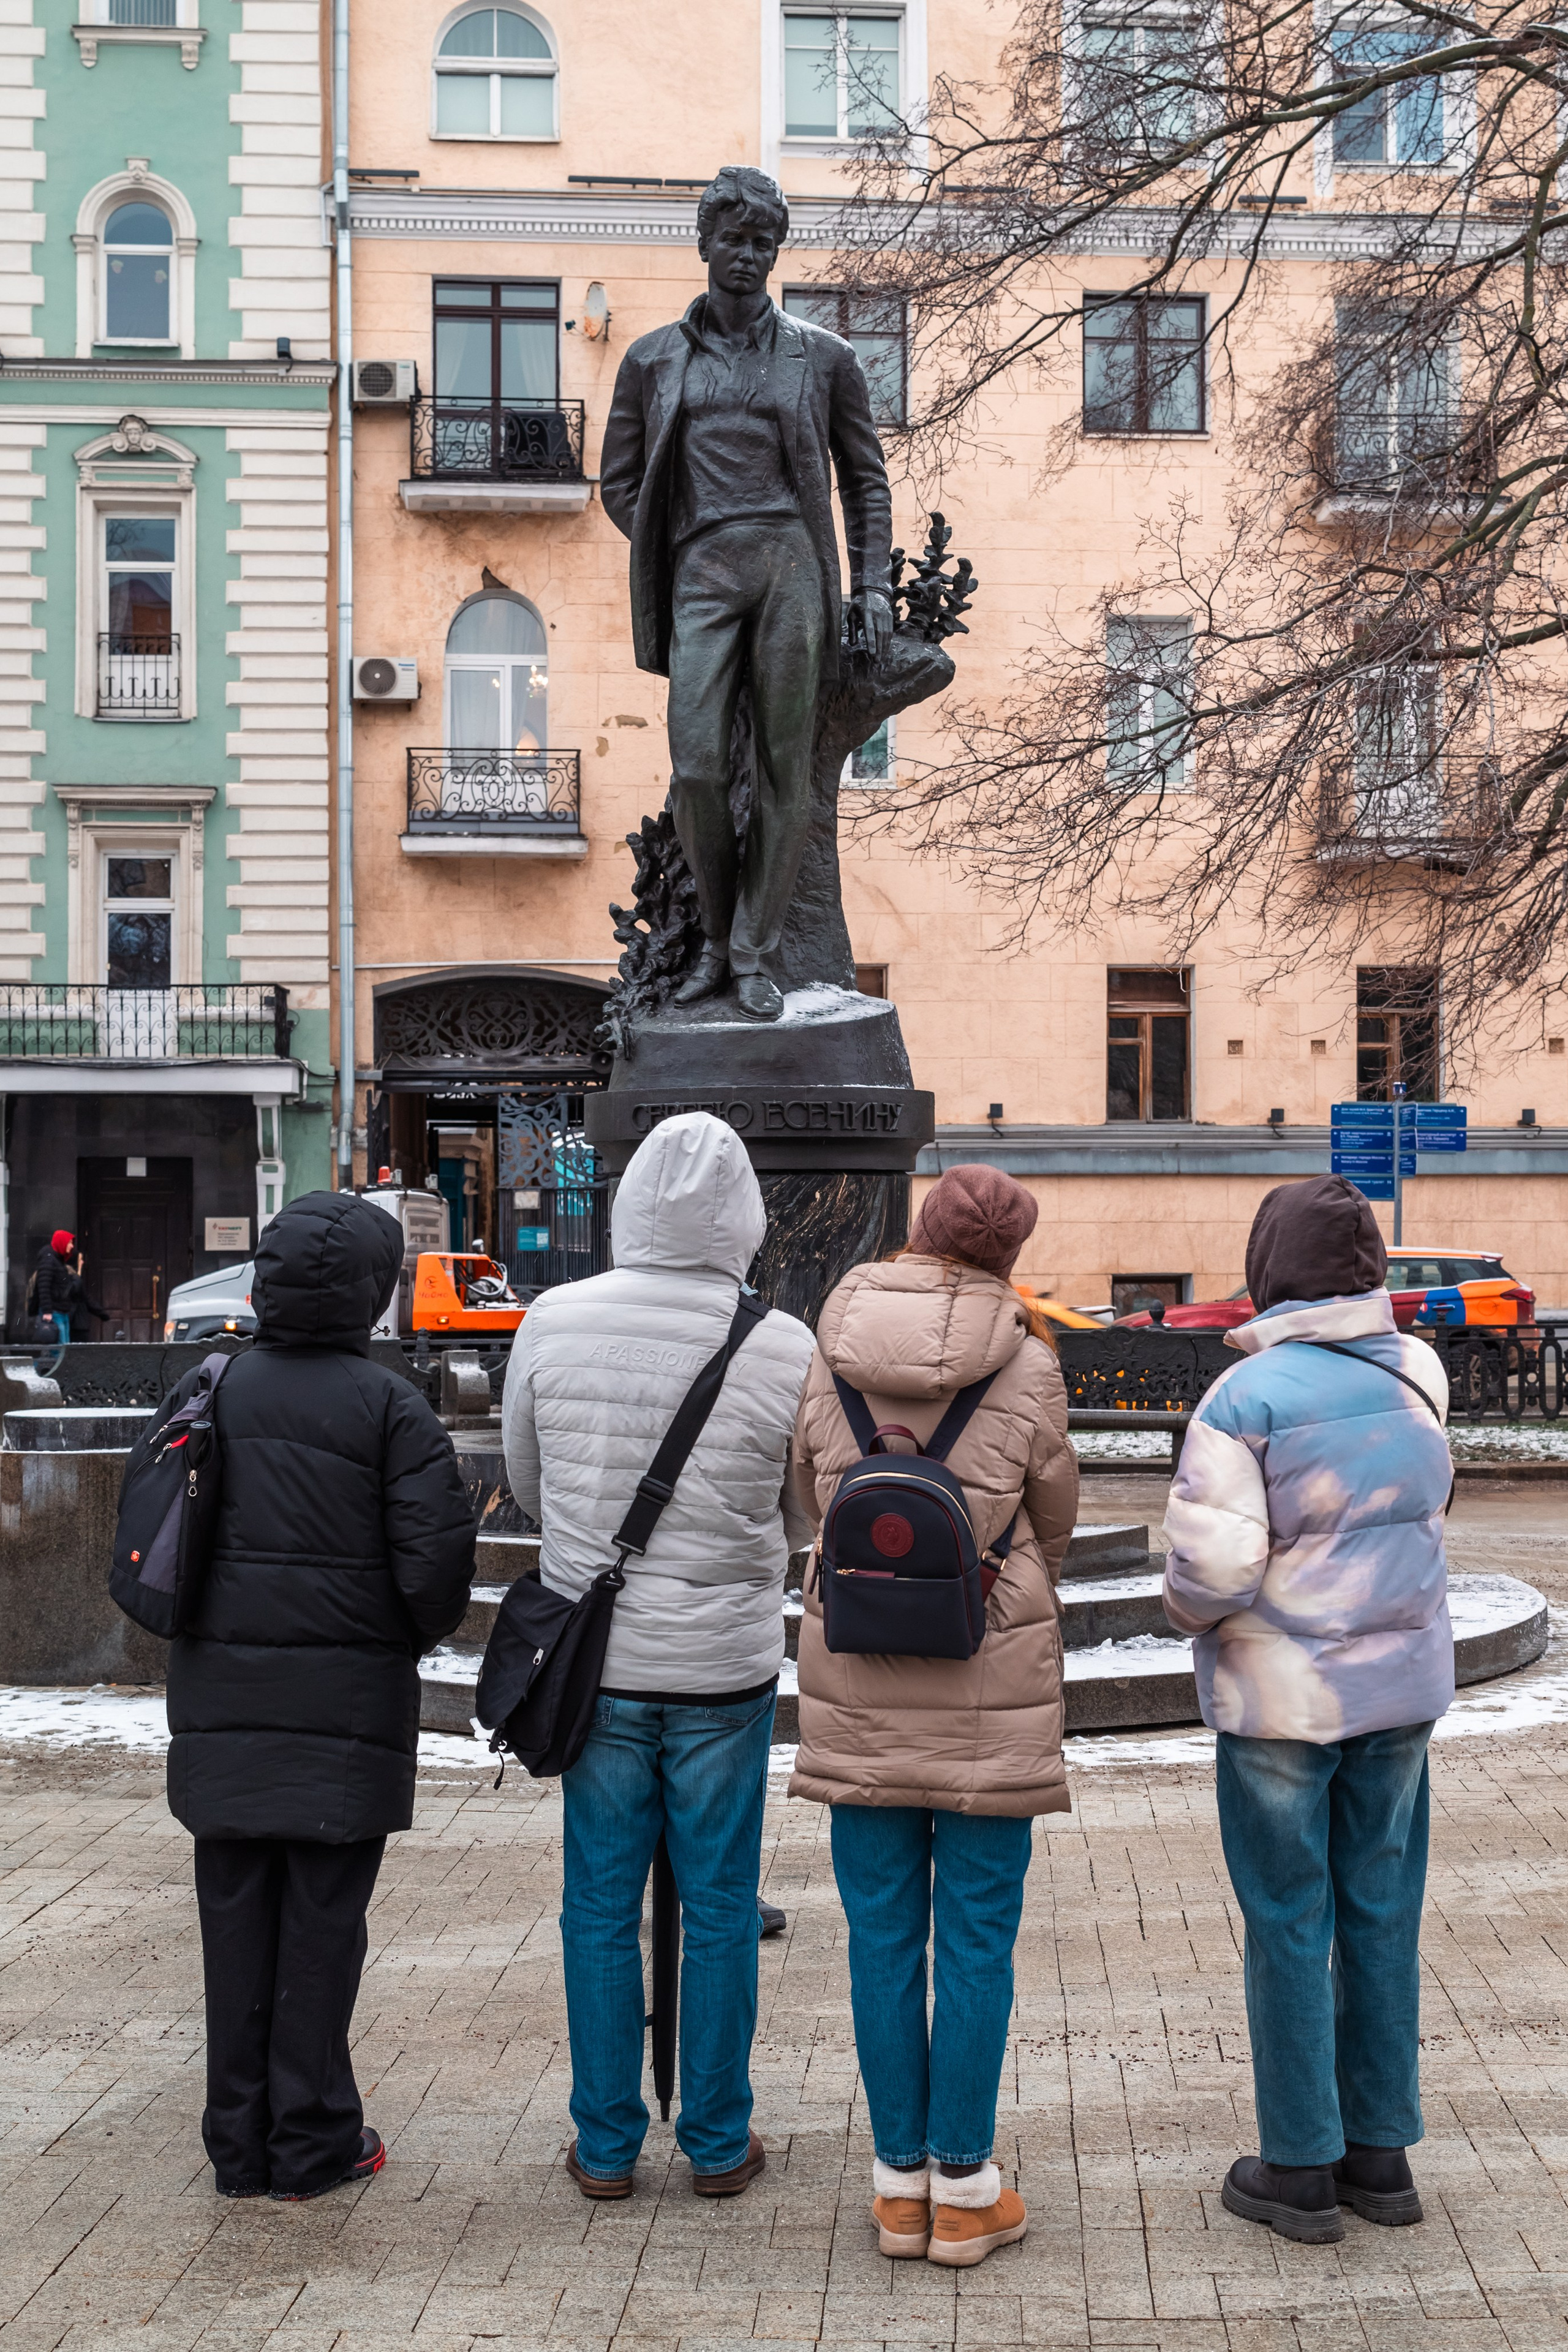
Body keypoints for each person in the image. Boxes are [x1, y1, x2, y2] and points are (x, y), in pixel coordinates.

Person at [502, 1111, 816, 2199]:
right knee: (722, 1903)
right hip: (722, 1668)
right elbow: (803, 1509)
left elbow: (532, 1486)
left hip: (598, 1667)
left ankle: (604, 2146)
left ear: (631, 1201)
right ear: (744, 1217)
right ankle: (719, 2143)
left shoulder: (553, 1317)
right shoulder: (782, 1342)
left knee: (597, 1904)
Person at [790, 1164, 1079, 2267]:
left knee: (879, 1941)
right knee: (975, 1943)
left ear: (918, 1233)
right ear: (1008, 1256)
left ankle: (893, 2191)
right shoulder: (1031, 1362)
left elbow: (815, 1498)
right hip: (988, 1685)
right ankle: (965, 2190)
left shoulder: (832, 1347)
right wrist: (995, 1577)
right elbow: (1054, 1514)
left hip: (856, 1674)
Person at [163, 1191, 475, 2202]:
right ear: (371, 1297)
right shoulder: (392, 1409)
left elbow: (155, 1551)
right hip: (344, 1717)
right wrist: (381, 1642)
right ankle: (313, 2141)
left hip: (225, 1710)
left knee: (234, 1928)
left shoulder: (210, 1388)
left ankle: (236, 2143)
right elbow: (435, 1577)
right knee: (324, 1934)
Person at [1161, 1174, 1453, 2245]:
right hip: (1400, 1692)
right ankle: (1383, 2156)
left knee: (1290, 1919)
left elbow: (1215, 1567)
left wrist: (1186, 1614)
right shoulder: (1417, 1371)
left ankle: (1299, 2167)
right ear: (1371, 1270)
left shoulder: (1243, 1400)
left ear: (1267, 1269)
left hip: (1281, 1697)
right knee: (1381, 1905)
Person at [600, 165, 893, 1022]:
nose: (748, 256)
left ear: (777, 251)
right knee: (696, 767)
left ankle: (753, 957)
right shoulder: (652, 359)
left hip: (793, 567)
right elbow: (620, 481)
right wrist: (677, 539)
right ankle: (717, 946)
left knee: (780, 768)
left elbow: (865, 483)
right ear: (704, 243)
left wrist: (869, 585)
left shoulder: (824, 357)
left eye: (763, 242)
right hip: (702, 569)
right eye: (733, 239)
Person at [34, 1227, 75, 1346]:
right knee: (59, 1350)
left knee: (63, 1349)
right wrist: (47, 1311)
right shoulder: (49, 1259)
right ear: (62, 1242)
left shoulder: (56, 1259)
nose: (72, 1246)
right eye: (70, 1242)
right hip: (54, 1312)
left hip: (61, 1311)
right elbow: (43, 1285)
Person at [64, 1248, 110, 1342]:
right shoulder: (72, 1279)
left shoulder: (73, 1278)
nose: (82, 1262)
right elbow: (86, 1299)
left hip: (76, 1323)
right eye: (80, 1259)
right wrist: (102, 1313)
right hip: (76, 1324)